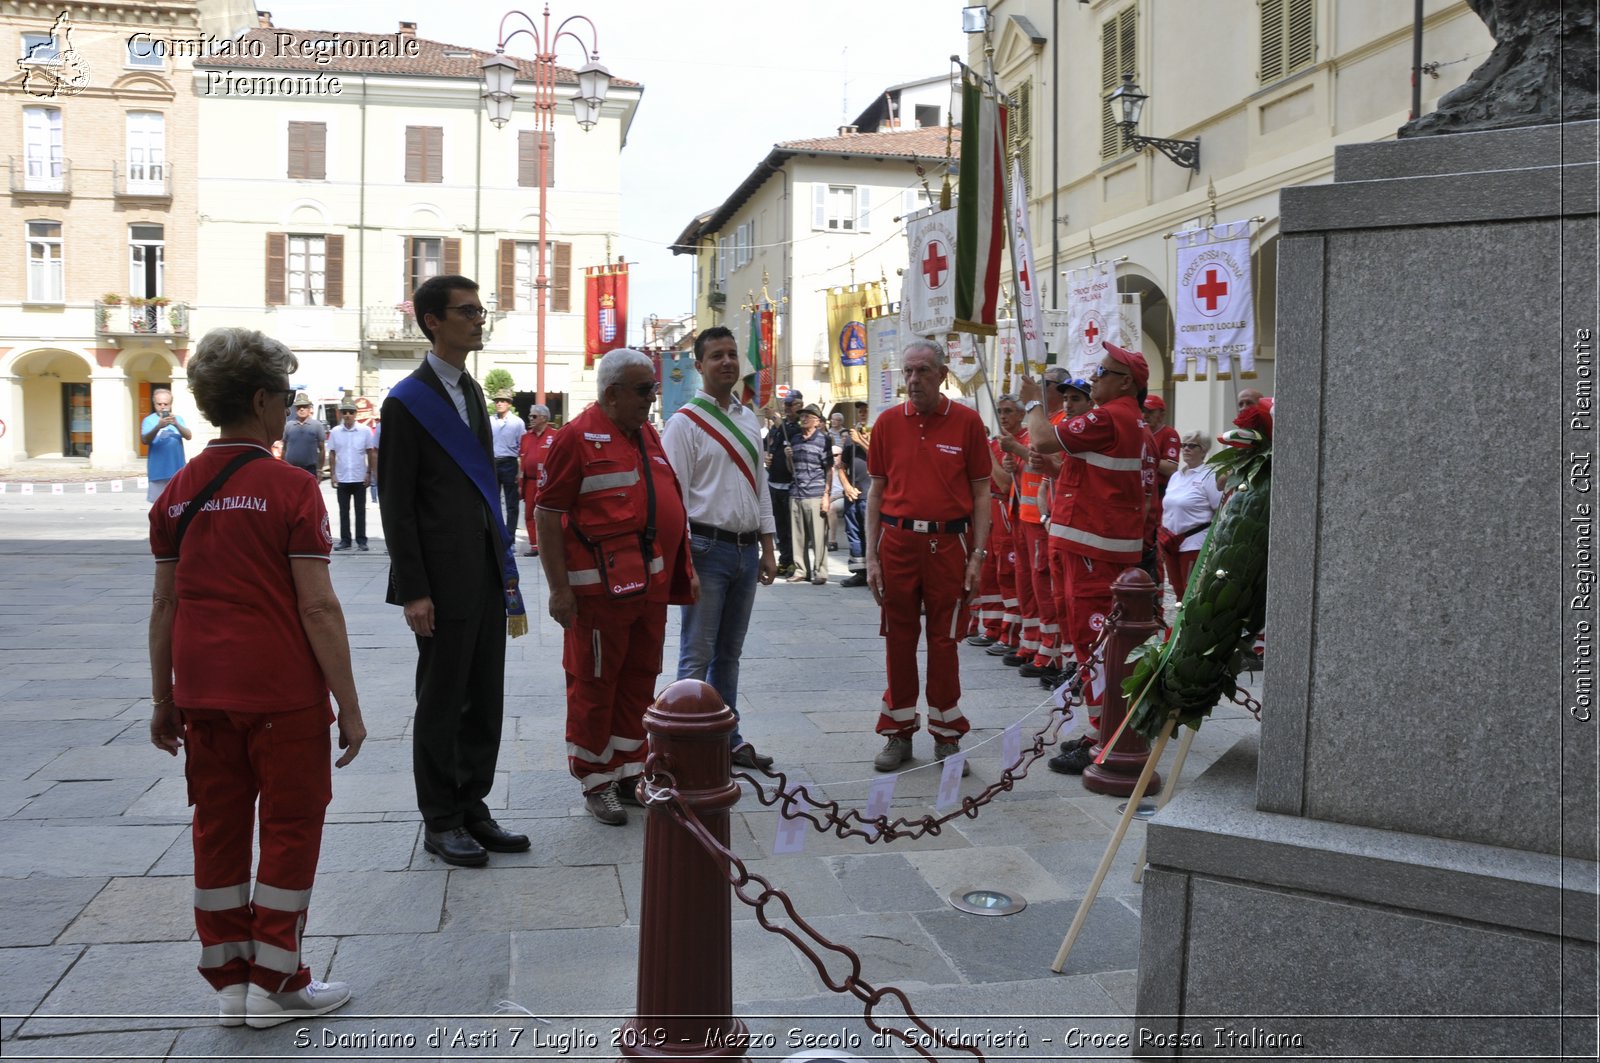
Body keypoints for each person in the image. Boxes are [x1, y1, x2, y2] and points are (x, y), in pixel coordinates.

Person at [147, 327, 365, 1028]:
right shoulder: (292, 488)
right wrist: (350, 705)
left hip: (202, 693)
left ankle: (232, 983)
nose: (290, 408)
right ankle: (279, 980)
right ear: (263, 399)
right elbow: (318, 605)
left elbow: (163, 604)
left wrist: (162, 698)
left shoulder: (174, 495)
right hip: (282, 695)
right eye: (287, 396)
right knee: (290, 828)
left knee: (217, 828)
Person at [379, 275, 529, 868]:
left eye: (481, 310)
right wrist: (414, 589)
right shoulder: (406, 402)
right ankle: (440, 818)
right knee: (442, 699)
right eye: (467, 311)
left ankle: (473, 804)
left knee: (483, 696)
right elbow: (397, 502)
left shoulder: (471, 393)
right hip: (440, 582)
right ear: (433, 320)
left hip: (485, 571)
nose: (479, 319)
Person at [536, 347, 696, 825]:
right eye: (645, 390)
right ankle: (595, 779)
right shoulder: (576, 438)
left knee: (639, 679)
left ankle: (628, 770)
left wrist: (685, 571)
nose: (653, 398)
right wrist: (559, 589)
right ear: (612, 393)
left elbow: (665, 504)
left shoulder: (646, 432)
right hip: (598, 595)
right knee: (595, 685)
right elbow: (546, 515)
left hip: (646, 589)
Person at [1020, 341, 1156, 775]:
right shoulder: (1125, 420)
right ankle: (1104, 729)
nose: (1094, 376)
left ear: (1125, 382)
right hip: (1092, 545)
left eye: (1103, 371)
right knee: (1095, 645)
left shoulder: (1112, 415)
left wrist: (1033, 402)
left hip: (1094, 550)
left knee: (1094, 646)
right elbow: (1095, 476)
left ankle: (1105, 736)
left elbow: (1043, 435)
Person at [866, 339, 991, 774]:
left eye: (922, 371)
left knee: (945, 642)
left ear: (942, 374)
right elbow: (876, 493)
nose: (914, 379)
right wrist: (871, 557)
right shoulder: (885, 424)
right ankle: (898, 733)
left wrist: (977, 554)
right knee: (898, 640)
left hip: (949, 546)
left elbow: (981, 494)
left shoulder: (968, 423)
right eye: (908, 371)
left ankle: (946, 733)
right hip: (897, 543)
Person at [661, 326, 778, 770]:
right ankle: (682, 745)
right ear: (699, 365)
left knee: (730, 654)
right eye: (717, 356)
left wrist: (768, 547)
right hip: (707, 549)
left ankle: (727, 738)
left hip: (747, 551)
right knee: (697, 653)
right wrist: (683, 560)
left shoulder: (750, 419)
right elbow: (675, 501)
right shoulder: (684, 423)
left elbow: (760, 487)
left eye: (732, 354)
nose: (727, 362)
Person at [1159, 429, 1223, 601]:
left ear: (1203, 451)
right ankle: (1180, 626)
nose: (1186, 449)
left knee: (1191, 591)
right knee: (1177, 589)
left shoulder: (1208, 476)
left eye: (1192, 446)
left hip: (1194, 543)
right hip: (1171, 542)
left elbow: (1219, 509)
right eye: (1183, 445)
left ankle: (1189, 626)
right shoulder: (1176, 477)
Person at [786, 404, 832, 585]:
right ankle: (800, 569)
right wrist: (788, 457)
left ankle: (820, 571)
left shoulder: (824, 440)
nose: (803, 419)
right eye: (802, 416)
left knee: (819, 536)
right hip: (796, 491)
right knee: (798, 536)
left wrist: (826, 495)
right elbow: (792, 470)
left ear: (816, 421)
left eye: (807, 416)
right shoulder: (795, 439)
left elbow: (829, 469)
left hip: (815, 492)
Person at [326, 400, 375, 552]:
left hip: (359, 476)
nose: (347, 415)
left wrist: (369, 473)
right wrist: (333, 474)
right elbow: (332, 453)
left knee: (360, 510)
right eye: (345, 412)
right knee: (343, 511)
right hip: (342, 477)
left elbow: (370, 453)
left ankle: (361, 540)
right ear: (341, 413)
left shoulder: (365, 431)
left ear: (355, 414)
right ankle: (345, 540)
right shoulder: (335, 432)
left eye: (351, 412)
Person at [764, 392, 803, 576]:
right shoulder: (780, 427)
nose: (787, 408)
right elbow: (770, 444)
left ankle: (794, 562)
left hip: (790, 485)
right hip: (774, 482)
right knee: (779, 526)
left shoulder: (799, 427)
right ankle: (784, 559)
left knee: (790, 527)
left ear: (799, 405)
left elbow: (792, 436)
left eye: (790, 404)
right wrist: (768, 457)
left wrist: (776, 418)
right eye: (785, 404)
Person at [837, 402, 871, 587]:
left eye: (866, 410)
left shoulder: (878, 434)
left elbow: (881, 459)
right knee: (853, 532)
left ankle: (875, 573)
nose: (862, 414)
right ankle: (860, 572)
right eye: (860, 411)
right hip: (852, 493)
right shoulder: (851, 437)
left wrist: (861, 442)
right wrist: (846, 486)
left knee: (870, 533)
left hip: (871, 494)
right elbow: (842, 466)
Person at [518, 403, 556, 557]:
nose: (530, 419)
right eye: (530, 416)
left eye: (534, 416)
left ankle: (551, 544)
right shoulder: (525, 437)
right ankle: (535, 546)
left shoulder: (555, 435)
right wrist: (520, 482)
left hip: (548, 483)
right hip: (529, 482)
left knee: (548, 514)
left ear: (544, 418)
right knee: (529, 515)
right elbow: (521, 460)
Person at [142, 387, 193, 502]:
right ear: (154, 404)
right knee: (158, 508)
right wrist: (158, 427)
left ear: (171, 404)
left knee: (177, 505)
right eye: (159, 404)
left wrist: (176, 425)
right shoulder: (149, 420)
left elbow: (189, 436)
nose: (162, 407)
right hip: (158, 473)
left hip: (177, 472)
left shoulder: (177, 419)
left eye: (166, 404)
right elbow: (145, 440)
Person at [490, 390, 526, 541]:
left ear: (509, 404)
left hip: (510, 462)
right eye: (497, 400)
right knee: (493, 500)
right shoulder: (490, 420)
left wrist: (520, 470)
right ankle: (495, 532)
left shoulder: (517, 422)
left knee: (512, 502)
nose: (499, 403)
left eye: (503, 401)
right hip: (493, 462)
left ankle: (510, 535)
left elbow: (523, 447)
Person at [280, 393, 325, 479]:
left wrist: (319, 469)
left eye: (304, 407)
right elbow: (284, 448)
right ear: (295, 409)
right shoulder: (288, 426)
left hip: (310, 469)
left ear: (309, 408)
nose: (301, 409)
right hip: (291, 468)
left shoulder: (317, 426)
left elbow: (322, 449)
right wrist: (283, 466)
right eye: (299, 407)